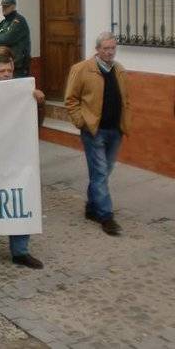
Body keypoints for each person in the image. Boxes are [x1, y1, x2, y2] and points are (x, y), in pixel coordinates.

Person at [0, 49, 45, 269]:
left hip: (15, 158)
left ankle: (20, 251)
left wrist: (39, 102)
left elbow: (37, 124)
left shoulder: (23, 91)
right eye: (1, 71)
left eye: (9, 71)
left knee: (20, 197)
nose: (6, 75)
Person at [65, 32, 130, 236]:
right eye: (106, 48)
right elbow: (71, 99)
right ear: (97, 49)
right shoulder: (82, 69)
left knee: (103, 172)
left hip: (115, 130)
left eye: (113, 48)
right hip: (94, 131)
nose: (110, 52)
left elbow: (126, 98)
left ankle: (92, 207)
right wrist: (81, 122)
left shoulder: (119, 69)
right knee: (100, 172)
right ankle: (106, 216)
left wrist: (124, 122)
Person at [0, 0, 30, 77]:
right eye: (3, 6)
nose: (4, 8)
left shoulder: (18, 20)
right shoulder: (3, 23)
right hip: (4, 64)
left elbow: (7, 39)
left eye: (6, 6)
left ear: (13, 7)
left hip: (18, 67)